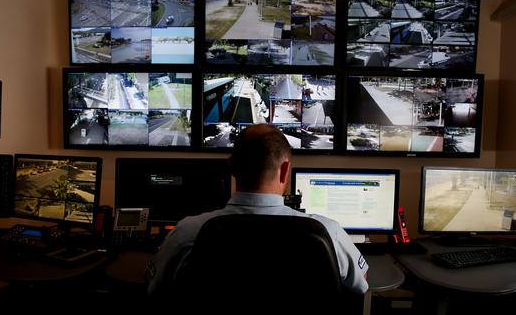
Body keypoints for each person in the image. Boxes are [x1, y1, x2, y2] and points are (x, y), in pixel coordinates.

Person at [146, 124, 369, 295]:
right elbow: (361, 283)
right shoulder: (328, 232)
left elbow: (154, 287)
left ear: (231, 166)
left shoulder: (187, 232)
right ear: (285, 171)